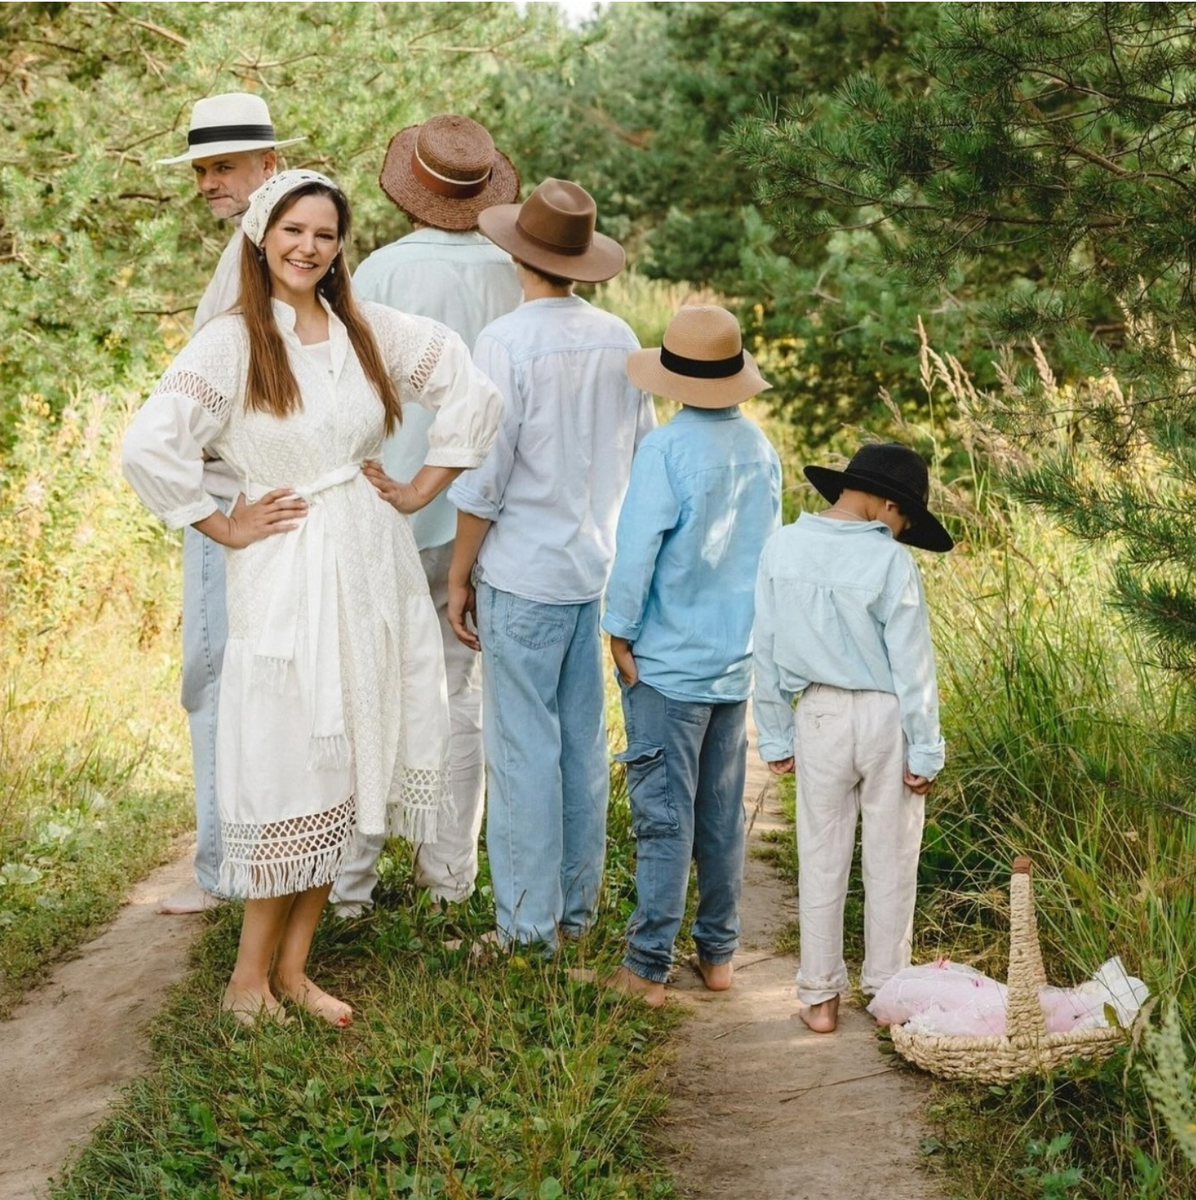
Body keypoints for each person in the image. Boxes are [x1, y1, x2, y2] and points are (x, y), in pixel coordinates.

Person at [122, 170, 503, 1025]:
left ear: (341, 247)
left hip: (370, 558)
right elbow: (151, 441)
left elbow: (472, 391)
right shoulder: (231, 340)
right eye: (294, 230)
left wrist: (417, 488)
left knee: (351, 755)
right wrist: (218, 523)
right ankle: (246, 981)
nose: (308, 247)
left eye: (325, 234)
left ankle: (294, 970)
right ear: (263, 236)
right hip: (287, 566)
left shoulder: (363, 327)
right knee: (292, 760)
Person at [447, 178, 657, 951]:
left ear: (516, 255)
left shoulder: (504, 341)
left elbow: (485, 479)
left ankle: (527, 927)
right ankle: (575, 910)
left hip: (523, 574)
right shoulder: (618, 335)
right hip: (591, 572)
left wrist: (459, 574)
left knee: (523, 750)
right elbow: (644, 455)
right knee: (578, 745)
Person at [332, 114, 522, 914]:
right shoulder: (519, 271)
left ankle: (348, 883)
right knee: (458, 693)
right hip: (481, 521)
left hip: (387, 508)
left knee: (364, 691)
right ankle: (447, 882)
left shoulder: (374, 273)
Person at [599, 305, 782, 1007]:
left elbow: (638, 547)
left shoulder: (666, 450)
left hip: (667, 666)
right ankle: (719, 954)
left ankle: (646, 966)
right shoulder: (761, 450)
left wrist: (619, 630)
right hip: (733, 662)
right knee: (719, 813)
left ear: (675, 378)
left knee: (664, 815)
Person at [153, 92, 303, 915]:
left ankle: (222, 872)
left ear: (268, 167)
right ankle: (267, 864)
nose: (209, 183)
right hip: (261, 489)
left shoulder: (259, 252)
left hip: (234, 495)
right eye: (202, 169)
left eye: (224, 167)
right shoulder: (273, 249)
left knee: (212, 677)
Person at [752, 442, 953, 1033]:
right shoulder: (890, 564)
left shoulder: (781, 546)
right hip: (886, 717)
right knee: (891, 855)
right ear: (888, 504)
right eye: (904, 522)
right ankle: (886, 990)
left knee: (821, 853)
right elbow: (914, 665)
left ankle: (819, 997)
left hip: (818, 715)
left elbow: (764, 648)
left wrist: (774, 733)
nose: (899, 533)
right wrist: (926, 748)